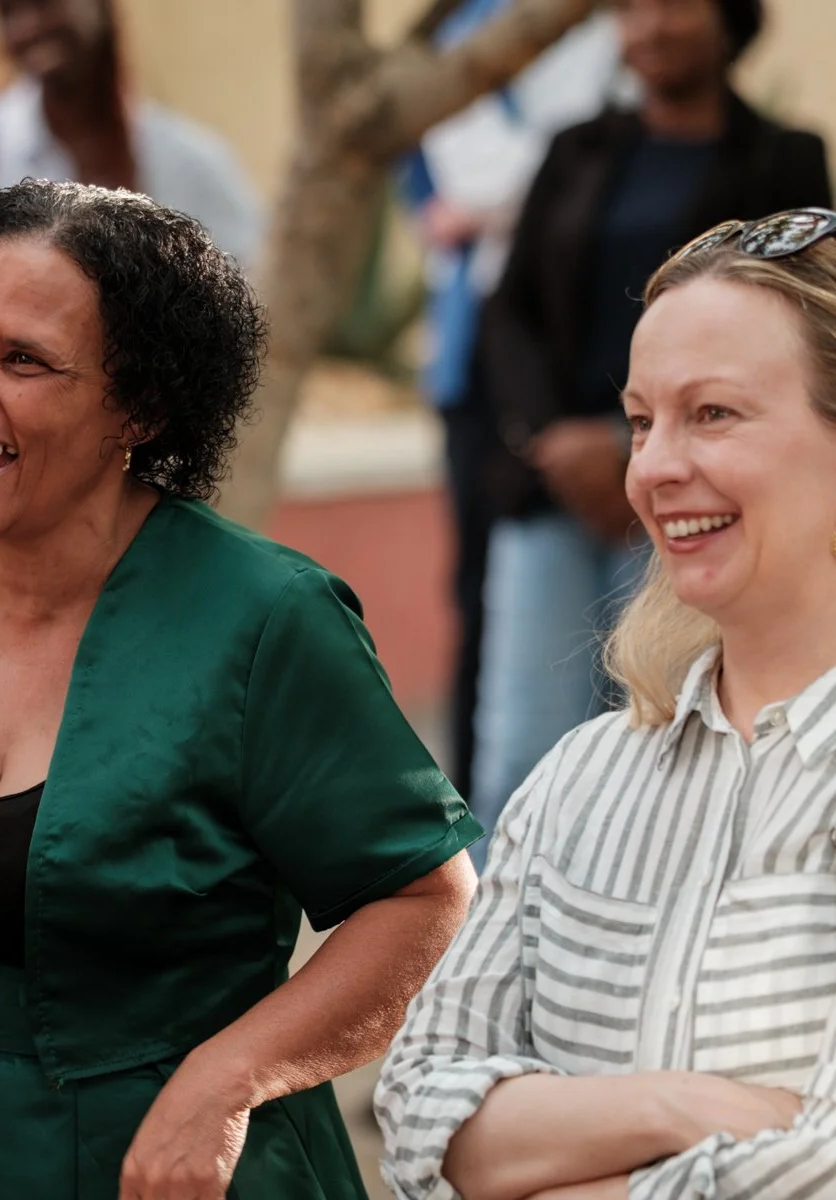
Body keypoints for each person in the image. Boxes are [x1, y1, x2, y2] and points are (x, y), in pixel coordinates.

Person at [0, 179, 481, 1200]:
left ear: (143, 406)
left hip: (153, 1166)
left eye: (23, 360)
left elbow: (424, 898)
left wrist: (231, 1077)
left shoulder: (265, 618)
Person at [378, 208, 836, 1199]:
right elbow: (414, 1112)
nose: (655, 468)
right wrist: (677, 1109)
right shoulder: (581, 778)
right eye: (639, 421)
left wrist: (540, 1168)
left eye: (713, 413)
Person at [466, 0, 830, 853]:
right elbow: (511, 312)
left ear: (729, 19)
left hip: (712, 485)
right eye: (630, 10)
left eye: (674, 6)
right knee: (517, 752)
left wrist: (640, 437)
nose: (651, 28)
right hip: (559, 482)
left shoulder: (782, 157)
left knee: (673, 733)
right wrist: (562, 440)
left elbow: (805, 327)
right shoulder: (577, 149)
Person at [397, 1, 623, 817]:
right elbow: (466, 186)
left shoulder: (606, 25)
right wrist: (520, 190)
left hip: (590, 364)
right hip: (486, 374)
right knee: (483, 599)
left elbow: (556, 172)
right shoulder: (450, 34)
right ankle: (477, 832)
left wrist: (497, 203)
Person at [0, 0, 263, 373]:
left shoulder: (185, 162)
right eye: (8, 13)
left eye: (47, 5)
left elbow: (251, 300)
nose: (28, 27)